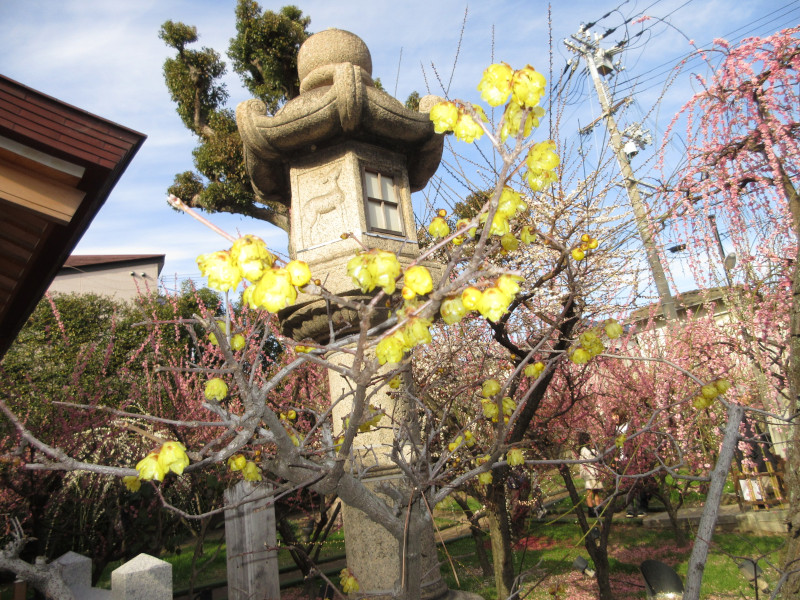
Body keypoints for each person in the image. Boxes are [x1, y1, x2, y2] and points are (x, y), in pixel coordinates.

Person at [578, 432, 603, 517]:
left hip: (594, 472)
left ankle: (598, 508)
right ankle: (591, 510)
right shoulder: (584, 450)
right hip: (589, 473)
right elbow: (591, 459)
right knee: (590, 491)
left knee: (596, 492)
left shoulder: (589, 449)